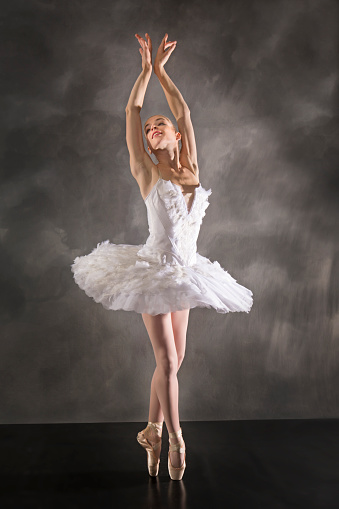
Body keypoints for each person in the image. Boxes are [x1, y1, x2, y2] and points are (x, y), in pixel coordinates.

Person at [71, 32, 253, 481]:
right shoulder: (146, 171)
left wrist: (166, 72)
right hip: (152, 272)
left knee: (174, 361)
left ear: (174, 134)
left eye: (160, 124)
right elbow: (132, 111)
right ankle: (176, 439)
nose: (153, 129)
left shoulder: (191, 168)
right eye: (149, 130)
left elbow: (185, 111)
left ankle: (151, 428)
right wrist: (145, 71)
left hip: (187, 274)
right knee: (169, 363)